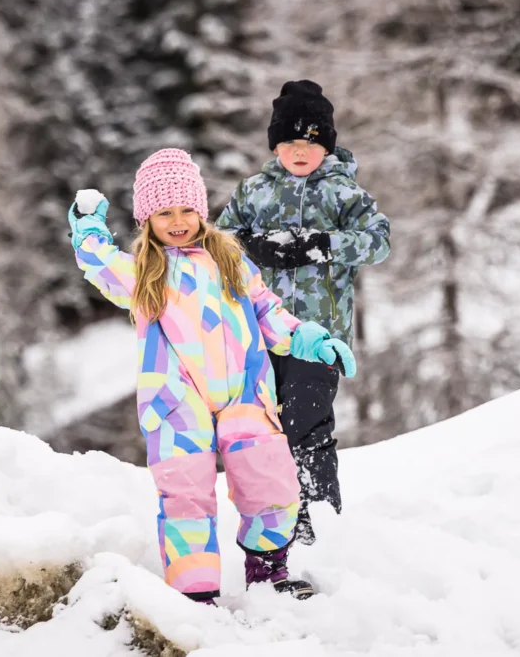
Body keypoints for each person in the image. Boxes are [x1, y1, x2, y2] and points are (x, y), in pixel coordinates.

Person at [68, 148, 357, 604]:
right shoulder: (145, 272)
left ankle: (269, 573)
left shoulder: (231, 260)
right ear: (147, 219)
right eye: (165, 212)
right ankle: (195, 592)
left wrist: (308, 339)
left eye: (186, 209)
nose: (178, 220)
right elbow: (99, 262)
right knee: (185, 492)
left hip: (246, 389)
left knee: (269, 477)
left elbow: (267, 309)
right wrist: (87, 227)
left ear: (201, 211)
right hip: (177, 398)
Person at [215, 80, 391, 544]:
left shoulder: (342, 193)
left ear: (325, 145)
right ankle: (274, 522)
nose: (299, 151)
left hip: (319, 334)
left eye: (310, 142)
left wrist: (322, 246)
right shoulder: (253, 192)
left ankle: (318, 519)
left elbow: (379, 241)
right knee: (265, 431)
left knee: (308, 426)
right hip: (260, 333)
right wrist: (254, 247)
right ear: (276, 145)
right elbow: (218, 243)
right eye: (290, 142)